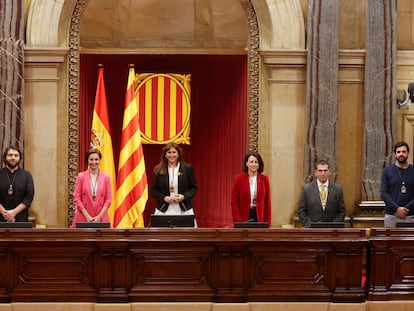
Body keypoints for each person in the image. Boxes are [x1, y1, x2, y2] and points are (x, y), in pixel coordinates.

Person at [150, 142, 198, 226]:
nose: (171, 155)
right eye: (169, 152)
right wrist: (164, 198)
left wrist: (184, 197)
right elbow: (154, 190)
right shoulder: (158, 169)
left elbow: (193, 188)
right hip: (164, 209)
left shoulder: (187, 168)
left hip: (184, 208)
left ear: (178, 154)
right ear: (165, 155)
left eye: (174, 152)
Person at [297, 159, 345, 228]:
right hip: (312, 231)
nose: (323, 173)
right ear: (316, 173)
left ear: (329, 172)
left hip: (331, 232)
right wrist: (309, 225)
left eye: (325, 171)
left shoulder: (337, 189)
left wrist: (334, 226)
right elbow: (301, 211)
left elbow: (341, 212)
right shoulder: (307, 189)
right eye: (320, 171)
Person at [72, 149, 112, 227]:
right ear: (87, 161)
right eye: (91, 159)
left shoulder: (106, 177)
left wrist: (99, 217)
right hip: (83, 217)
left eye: (96, 159)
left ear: (100, 161)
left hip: (101, 217)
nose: (94, 162)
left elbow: (108, 200)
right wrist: (87, 216)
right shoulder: (81, 176)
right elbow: (77, 198)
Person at [231, 151, 272, 226]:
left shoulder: (265, 179)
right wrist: (237, 220)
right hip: (244, 217)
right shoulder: (239, 179)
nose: (254, 164)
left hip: (259, 217)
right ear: (247, 164)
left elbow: (267, 202)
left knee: (258, 238)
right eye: (251, 162)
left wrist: (267, 222)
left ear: (259, 164)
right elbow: (234, 201)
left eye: (256, 162)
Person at [381, 141, 414, 227]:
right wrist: (397, 208)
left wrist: (406, 209)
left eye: (403, 152)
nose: (401, 154)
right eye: (398, 152)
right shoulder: (387, 171)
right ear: (395, 154)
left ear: (408, 153)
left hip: (411, 215)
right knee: (390, 240)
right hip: (392, 216)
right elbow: (384, 193)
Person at [0, 145, 34, 222]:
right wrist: (5, 213)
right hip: (1, 217)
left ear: (20, 158)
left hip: (20, 218)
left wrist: (14, 212)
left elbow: (28, 198)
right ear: (5, 157)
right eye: (10, 155)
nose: (13, 158)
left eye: (16, 155)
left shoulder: (27, 175)